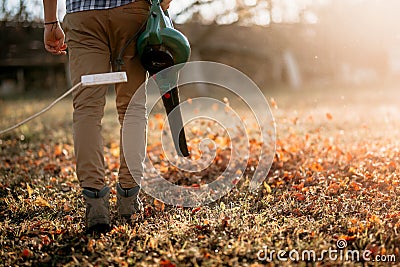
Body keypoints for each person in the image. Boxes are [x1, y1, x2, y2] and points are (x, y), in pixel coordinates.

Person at [43, 0, 172, 233]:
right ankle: (129, 199)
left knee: (86, 110)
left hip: (83, 16)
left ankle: (95, 206)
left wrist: (51, 21)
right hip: (131, 12)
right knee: (132, 109)